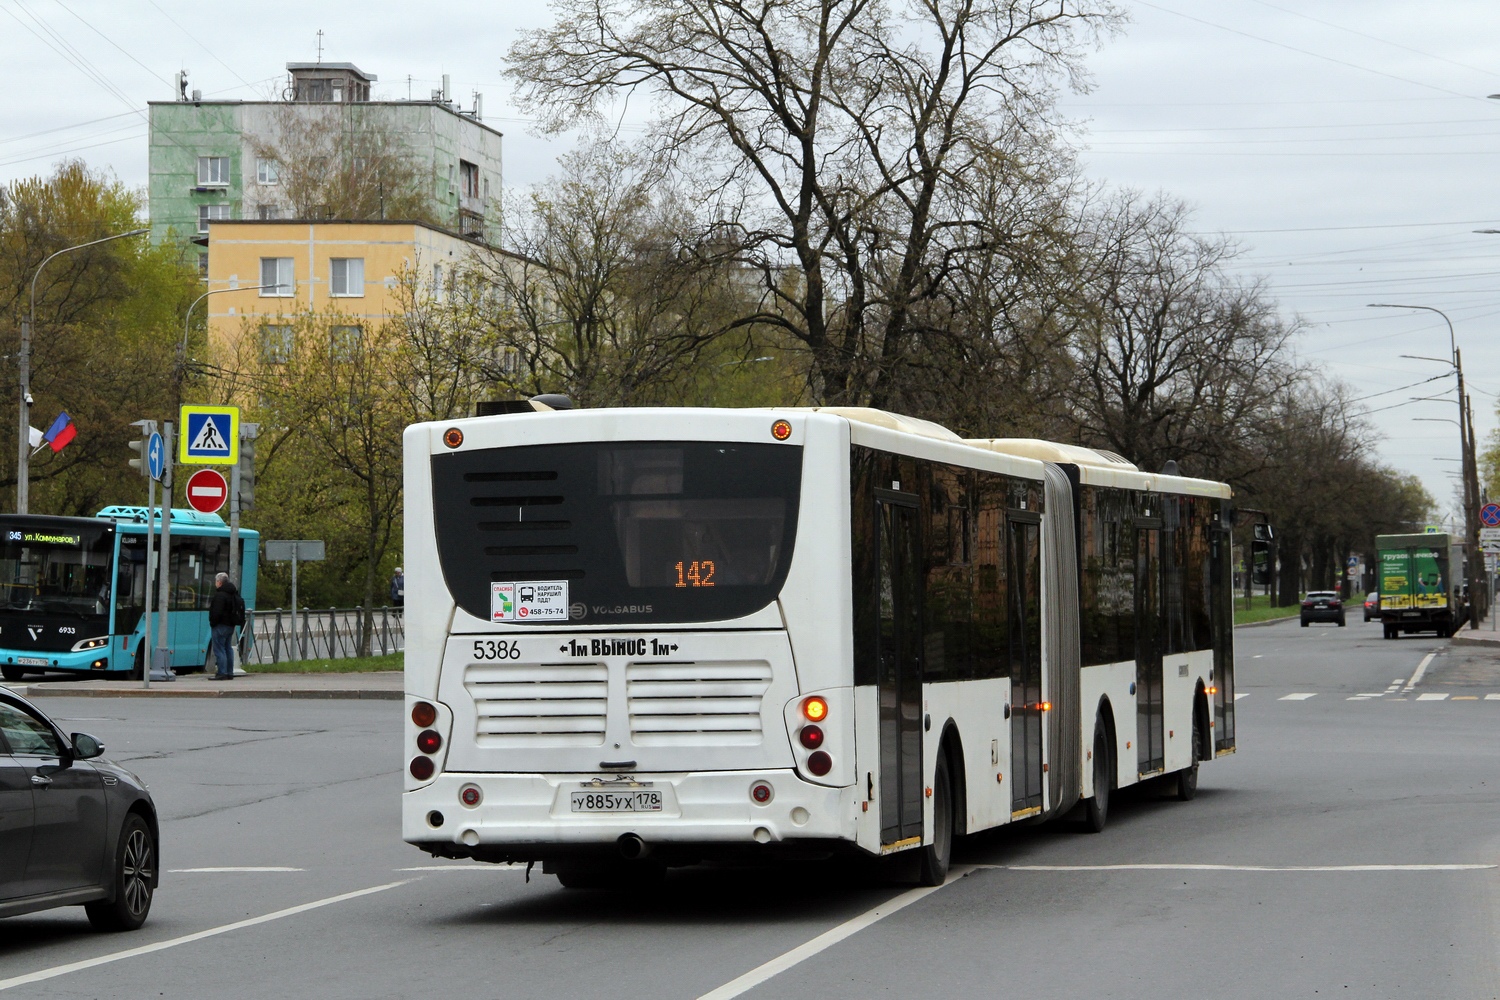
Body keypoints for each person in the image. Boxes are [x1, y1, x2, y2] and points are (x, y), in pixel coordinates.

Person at [207, 572, 240, 680]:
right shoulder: (233, 593)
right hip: (230, 625)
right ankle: (229, 672)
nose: (215, 584)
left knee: (219, 649)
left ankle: (222, 672)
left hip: (220, 625)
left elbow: (217, 612)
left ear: (219, 582)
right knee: (227, 648)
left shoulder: (220, 595)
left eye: (216, 581)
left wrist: (213, 623)